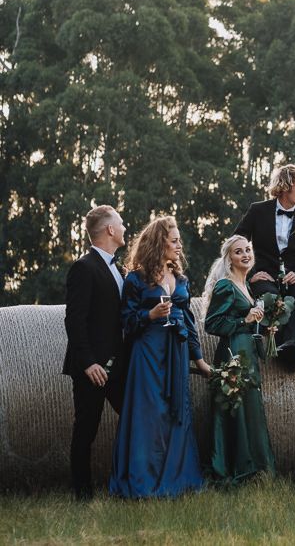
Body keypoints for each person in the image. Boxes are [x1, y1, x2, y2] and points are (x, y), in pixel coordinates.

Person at [109, 216, 211, 498]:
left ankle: (179, 480)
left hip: (175, 353)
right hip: (147, 354)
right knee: (149, 414)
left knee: (176, 411)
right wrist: (149, 315)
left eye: (179, 240)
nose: (179, 246)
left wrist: (199, 360)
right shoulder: (135, 278)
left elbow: (189, 321)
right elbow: (126, 322)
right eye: (174, 240)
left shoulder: (180, 279)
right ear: (158, 242)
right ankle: (144, 481)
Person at [63, 205, 128, 500]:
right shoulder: (84, 267)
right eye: (121, 223)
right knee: (86, 428)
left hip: (119, 366)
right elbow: (74, 320)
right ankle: (82, 493)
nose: (125, 227)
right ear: (110, 230)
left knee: (133, 417)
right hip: (93, 368)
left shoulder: (120, 269)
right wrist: (88, 363)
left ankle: (130, 481)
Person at [233, 163, 295, 372]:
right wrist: (250, 274)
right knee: (271, 298)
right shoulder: (257, 210)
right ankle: (287, 355)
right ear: (285, 186)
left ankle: (290, 345)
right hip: (264, 276)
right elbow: (236, 243)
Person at [204, 235, 276, 482]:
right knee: (234, 409)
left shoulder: (247, 286)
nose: (245, 254)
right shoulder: (226, 285)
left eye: (247, 250)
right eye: (238, 252)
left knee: (249, 406)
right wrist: (244, 320)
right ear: (229, 259)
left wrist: (265, 327)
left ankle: (255, 466)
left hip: (246, 351)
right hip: (232, 353)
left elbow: (245, 320)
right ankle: (235, 467)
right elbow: (212, 323)